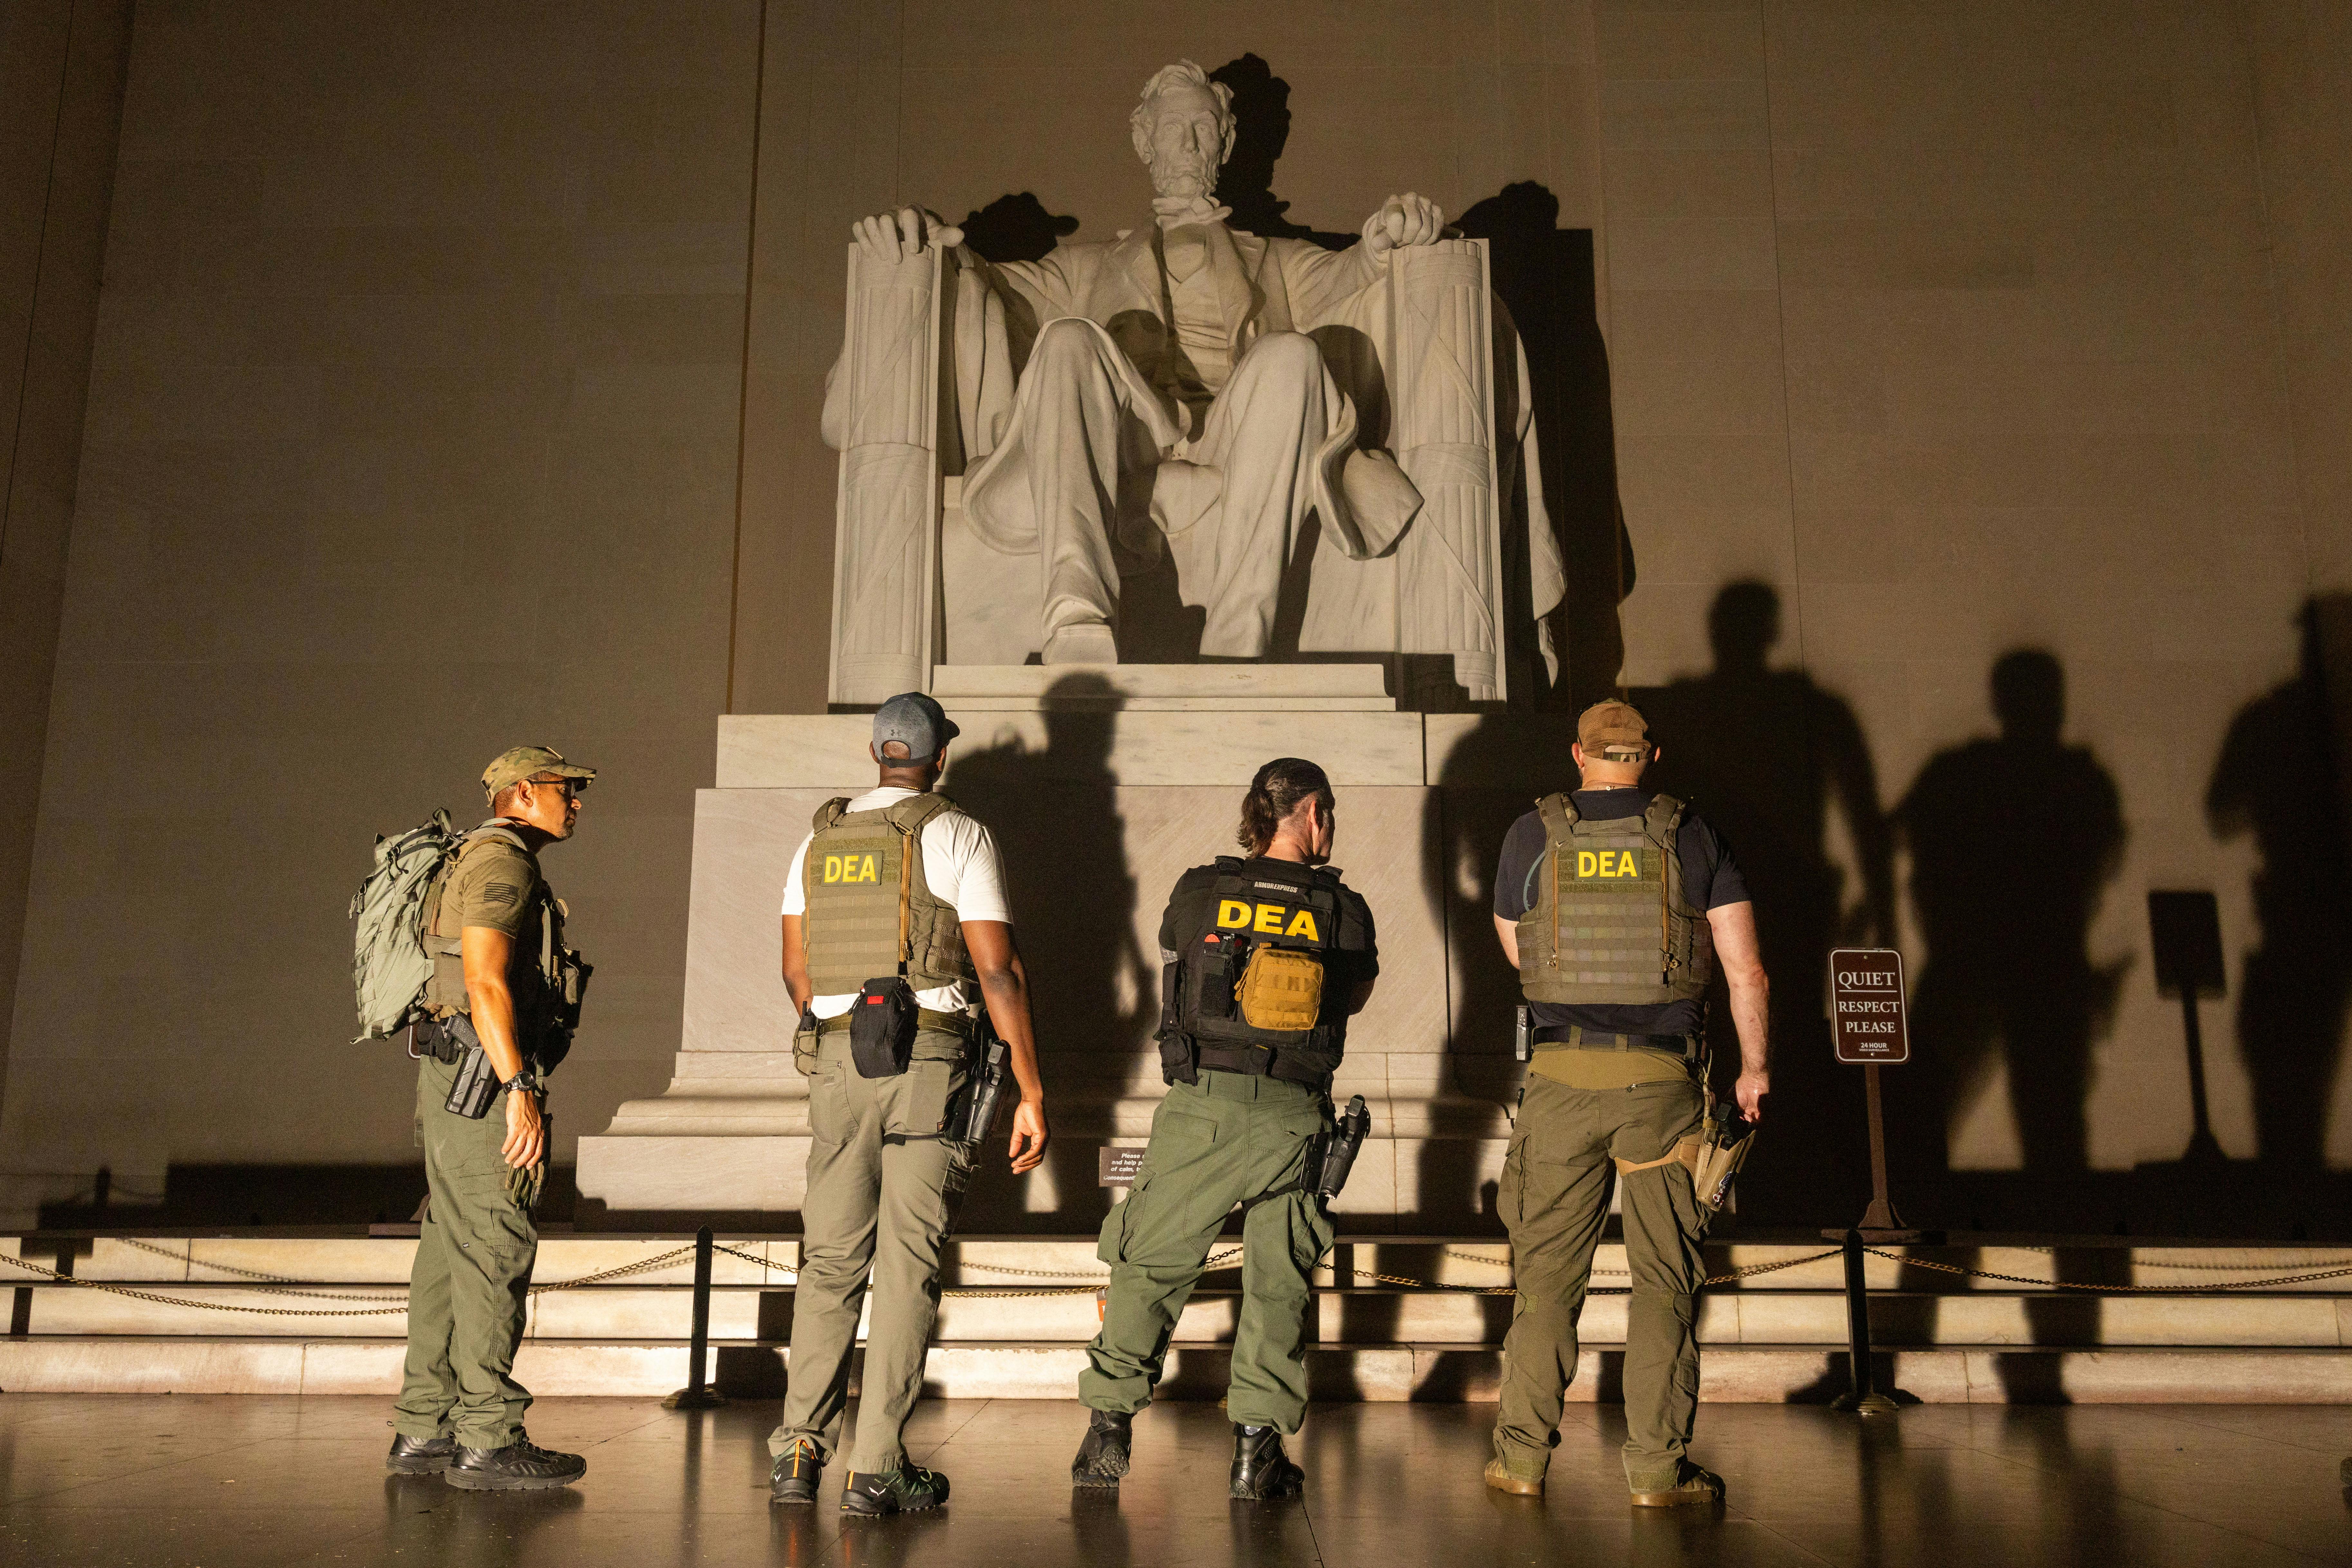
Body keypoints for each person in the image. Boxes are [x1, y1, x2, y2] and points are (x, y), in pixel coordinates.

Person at [768, 692, 1049, 1516]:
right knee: (906, 1264)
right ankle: (876, 1466)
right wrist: (1031, 1090)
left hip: (836, 1056)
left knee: (829, 1260)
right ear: (938, 758)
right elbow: (997, 971)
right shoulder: (956, 832)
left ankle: (796, 1455)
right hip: (927, 1055)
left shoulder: (819, 839)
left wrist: (841, 1038)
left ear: (874, 751)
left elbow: (795, 970)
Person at [1483, 700, 1769, 1507]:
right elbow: (1745, 970)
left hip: (1560, 1082)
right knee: (1664, 1283)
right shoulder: (1692, 833)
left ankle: (1521, 1461)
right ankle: (1654, 1472)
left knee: (1543, 1283)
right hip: (1661, 1089)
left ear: (1579, 754)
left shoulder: (1531, 834)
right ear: (1650, 758)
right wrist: (1754, 1070)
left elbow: (1518, 951)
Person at [1071, 757, 1379, 1502]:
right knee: (1277, 1282)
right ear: (1310, 815)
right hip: (1293, 1117)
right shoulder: (1343, 909)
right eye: (1325, 812)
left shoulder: (1199, 890)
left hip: (1202, 1109)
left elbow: (1174, 954)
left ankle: (1106, 1430)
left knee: (1150, 1266)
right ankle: (1255, 1452)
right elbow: (1354, 995)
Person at [388, 746, 596, 1490]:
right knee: (493, 1244)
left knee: (448, 1249)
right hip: (482, 1078)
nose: (575, 803)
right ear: (520, 794)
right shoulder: (504, 864)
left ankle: (424, 1424)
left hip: (452, 1074)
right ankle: (487, 1435)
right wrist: (518, 1086)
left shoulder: (477, 857)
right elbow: (483, 979)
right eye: (563, 790)